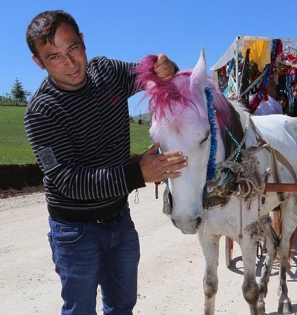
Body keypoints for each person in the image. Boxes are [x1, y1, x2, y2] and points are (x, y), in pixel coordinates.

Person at [24, 10, 188, 315]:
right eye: (54, 57)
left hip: (119, 221)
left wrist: (167, 67)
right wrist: (137, 174)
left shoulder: (107, 72)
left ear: (83, 41)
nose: (70, 63)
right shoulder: (41, 112)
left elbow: (151, 72)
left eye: (73, 48)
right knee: (80, 311)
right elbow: (68, 180)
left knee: (122, 306)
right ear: (39, 62)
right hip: (74, 232)